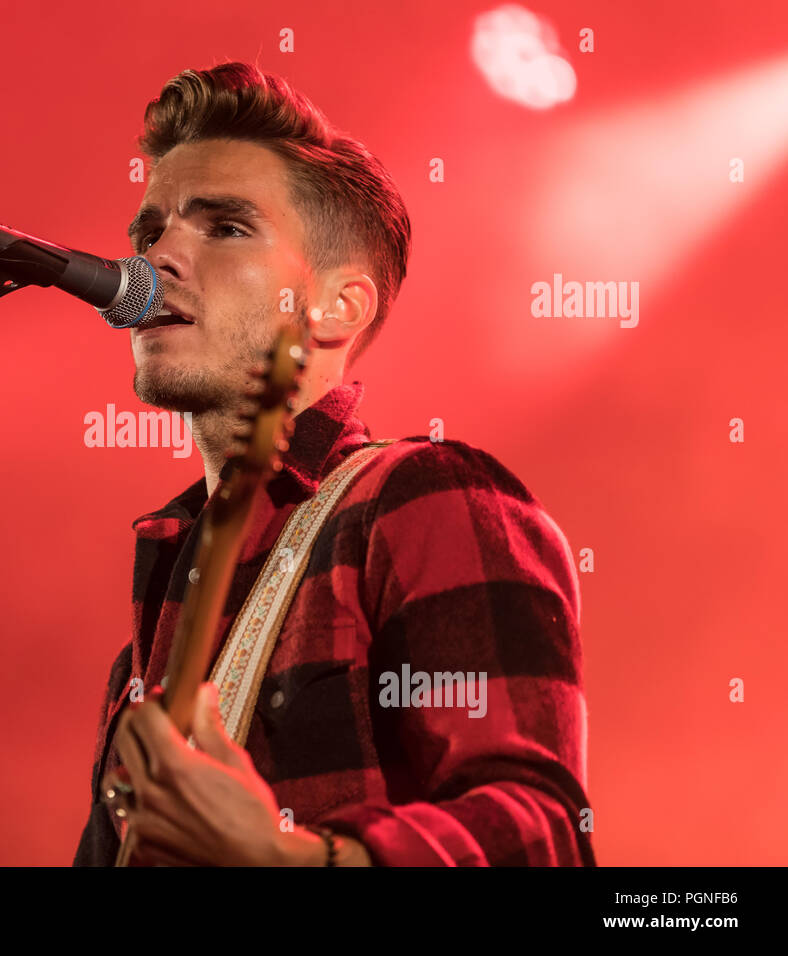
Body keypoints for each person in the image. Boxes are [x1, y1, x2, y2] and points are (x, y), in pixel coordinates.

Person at [72, 61, 593, 866]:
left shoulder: (422, 497)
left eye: (225, 227)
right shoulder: (157, 620)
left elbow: (540, 833)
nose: (157, 258)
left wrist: (289, 860)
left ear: (337, 307)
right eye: (150, 232)